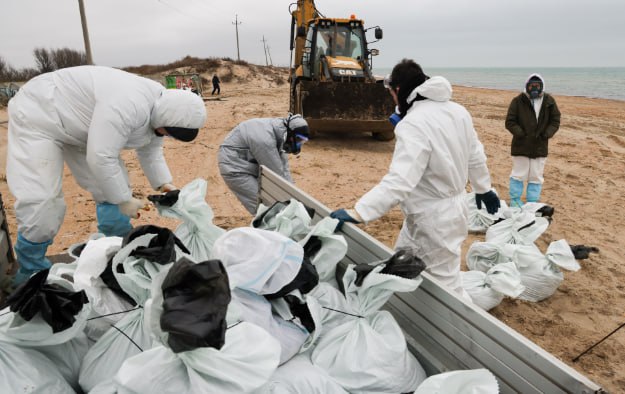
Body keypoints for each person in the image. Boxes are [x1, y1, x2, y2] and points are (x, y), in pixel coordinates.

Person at [6, 65, 207, 285]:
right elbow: (101, 157)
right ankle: (31, 269)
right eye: (167, 131)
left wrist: (164, 185)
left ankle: (117, 243)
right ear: (164, 118)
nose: (166, 135)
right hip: (40, 113)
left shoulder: (164, 112)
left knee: (106, 186)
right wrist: (123, 200)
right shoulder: (128, 104)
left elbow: (151, 152)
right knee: (43, 199)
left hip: (81, 127)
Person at [330, 59, 500, 299]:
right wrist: (483, 188)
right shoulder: (459, 112)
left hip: (433, 219)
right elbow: (475, 155)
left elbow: (399, 181)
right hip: (447, 209)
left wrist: (359, 212)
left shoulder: (413, 124)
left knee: (444, 287)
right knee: (402, 261)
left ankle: (463, 331)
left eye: (391, 93)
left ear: (398, 90)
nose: (392, 99)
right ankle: (403, 310)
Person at [218, 114, 309, 214]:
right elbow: (276, 174)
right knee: (263, 206)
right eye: (299, 140)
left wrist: (295, 196)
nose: (299, 144)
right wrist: (295, 203)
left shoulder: (281, 135)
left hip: (250, 163)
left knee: (275, 204)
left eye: (303, 142)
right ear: (291, 134)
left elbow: (284, 169)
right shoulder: (265, 140)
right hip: (234, 166)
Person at [505, 73, 561, 207]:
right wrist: (520, 134)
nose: (534, 88)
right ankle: (515, 201)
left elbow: (555, 120)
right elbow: (510, 122)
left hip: (540, 145)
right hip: (521, 145)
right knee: (518, 174)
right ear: (527, 86)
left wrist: (546, 134)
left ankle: (532, 203)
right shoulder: (518, 101)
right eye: (531, 85)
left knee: (536, 176)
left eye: (537, 85)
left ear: (542, 86)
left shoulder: (549, 101)